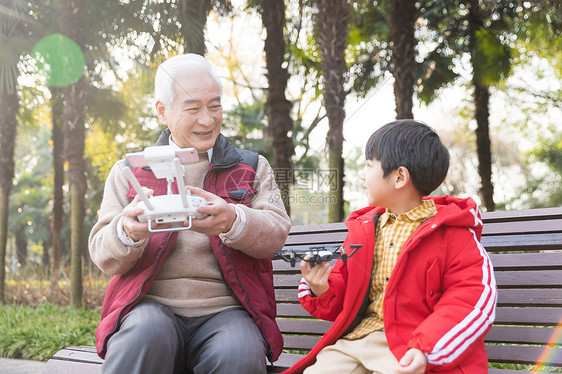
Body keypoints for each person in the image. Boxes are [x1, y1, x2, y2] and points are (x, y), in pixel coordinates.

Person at [89, 53, 291, 374]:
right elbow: (103, 253)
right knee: (143, 336)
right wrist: (127, 231)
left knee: (238, 353)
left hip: (227, 310)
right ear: (162, 111)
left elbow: (276, 232)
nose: (208, 120)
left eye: (215, 106)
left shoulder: (250, 167)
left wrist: (233, 220)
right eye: (193, 108)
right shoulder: (130, 170)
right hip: (149, 306)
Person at [284, 120, 497, 374]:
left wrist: (425, 348)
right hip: (354, 341)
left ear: (399, 177)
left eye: (369, 165)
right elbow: (346, 295)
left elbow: (469, 300)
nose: (362, 174)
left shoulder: (453, 234)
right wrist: (322, 286)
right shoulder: (365, 229)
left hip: (409, 346)